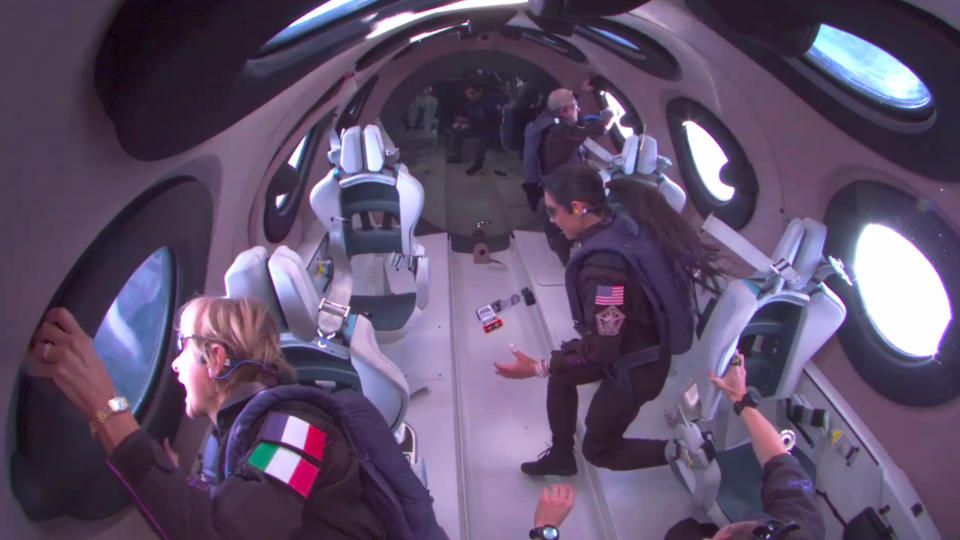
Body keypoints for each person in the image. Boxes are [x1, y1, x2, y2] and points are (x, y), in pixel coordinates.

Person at [26, 296, 446, 539]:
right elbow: (255, 500)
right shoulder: (246, 433)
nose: (173, 365)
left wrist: (107, 405)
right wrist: (180, 484)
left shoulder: (296, 431)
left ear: (216, 359)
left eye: (182, 349)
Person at [495, 163, 724, 477]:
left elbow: (601, 351)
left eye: (553, 212)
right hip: (631, 341)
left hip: (638, 368)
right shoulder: (618, 224)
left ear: (577, 208)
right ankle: (561, 456)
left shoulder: (604, 274)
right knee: (562, 373)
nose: (551, 221)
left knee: (599, 450)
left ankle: (681, 451)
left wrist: (535, 368)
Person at [664, 353, 825, 540]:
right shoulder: (802, 530)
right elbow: (780, 460)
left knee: (679, 534)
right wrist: (740, 398)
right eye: (765, 532)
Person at [522, 86, 614, 263]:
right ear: (564, 110)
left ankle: (558, 239)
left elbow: (564, 107)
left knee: (557, 216)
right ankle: (563, 252)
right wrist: (609, 118)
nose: (578, 110)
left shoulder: (546, 118)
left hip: (549, 180)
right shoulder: (561, 133)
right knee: (567, 217)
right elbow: (595, 131)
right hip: (562, 186)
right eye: (574, 106)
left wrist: (579, 90)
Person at [446, 79, 506, 175]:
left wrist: (467, 120)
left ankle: (482, 163)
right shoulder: (473, 100)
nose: (470, 96)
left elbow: (488, 117)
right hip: (481, 125)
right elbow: (474, 114)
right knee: (460, 131)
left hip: (492, 126)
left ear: (480, 91)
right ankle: (478, 162)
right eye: (468, 94)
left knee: (486, 139)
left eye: (472, 93)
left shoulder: (490, 100)